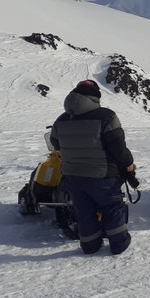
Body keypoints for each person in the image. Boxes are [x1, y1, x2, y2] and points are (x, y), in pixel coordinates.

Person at [50, 80, 136, 255]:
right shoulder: (107, 117)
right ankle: (119, 244)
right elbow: (118, 147)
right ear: (96, 96)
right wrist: (128, 163)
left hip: (73, 175)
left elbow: (55, 143)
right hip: (102, 175)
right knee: (112, 209)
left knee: (84, 212)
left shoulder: (61, 119)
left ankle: (90, 245)